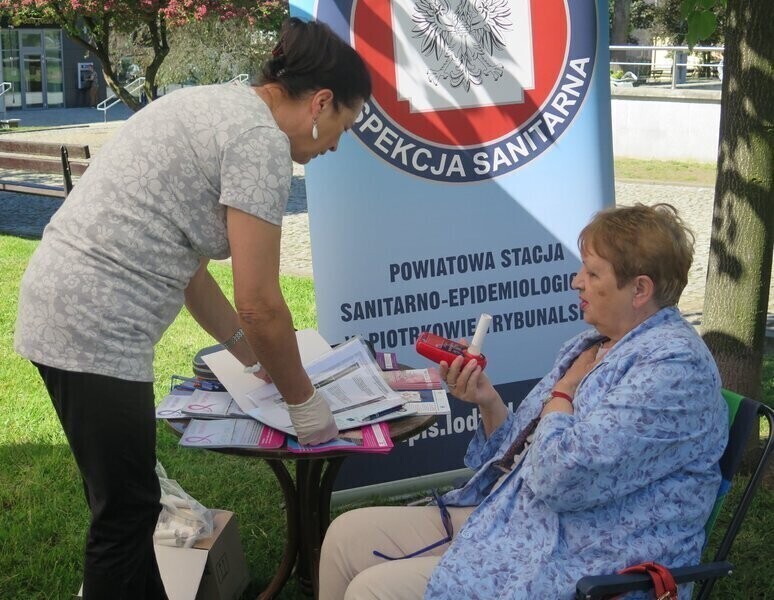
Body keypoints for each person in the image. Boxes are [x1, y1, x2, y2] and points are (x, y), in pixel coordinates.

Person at [14, 17, 371, 599]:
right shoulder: (260, 143)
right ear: (321, 102)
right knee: (125, 519)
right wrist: (305, 404)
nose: (332, 146)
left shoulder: (217, 105)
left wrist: (249, 355)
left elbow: (192, 274)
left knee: (124, 502)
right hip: (93, 328)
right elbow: (261, 303)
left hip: (60, 306)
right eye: (341, 128)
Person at [319, 204, 728, 600]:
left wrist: (563, 394)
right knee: (345, 536)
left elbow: (560, 479)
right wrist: (489, 402)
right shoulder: (593, 343)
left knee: (372, 591)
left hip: (582, 559)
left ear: (640, 289)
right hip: (520, 522)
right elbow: (516, 460)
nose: (576, 282)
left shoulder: (675, 368)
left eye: (592, 272)